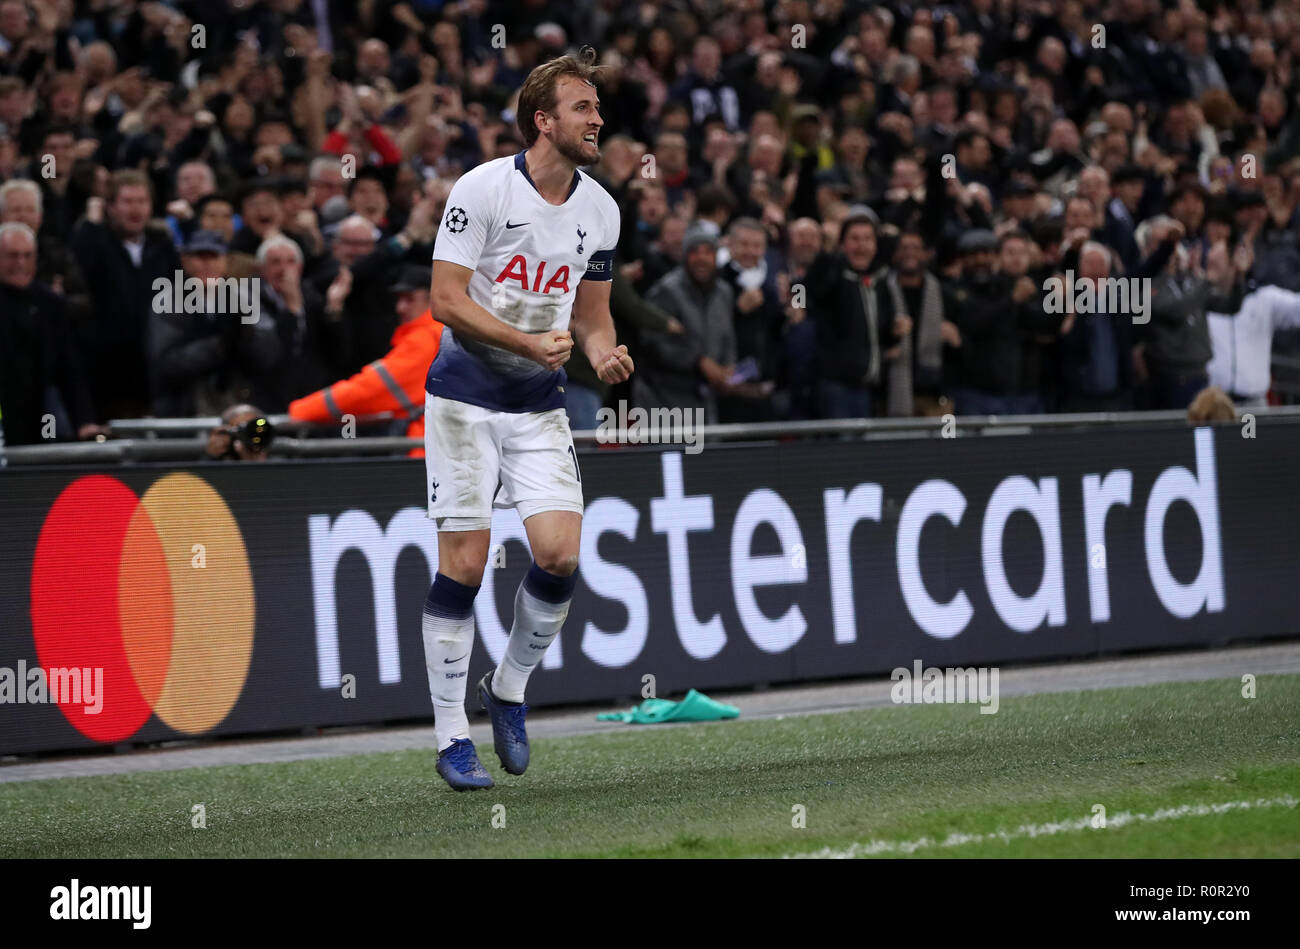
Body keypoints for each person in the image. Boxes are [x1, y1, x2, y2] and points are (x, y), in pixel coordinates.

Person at [422, 50, 633, 790]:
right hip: (463, 397)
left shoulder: (601, 209)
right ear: (543, 119)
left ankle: (506, 690)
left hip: (537, 403)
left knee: (560, 556)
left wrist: (604, 355)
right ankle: (451, 737)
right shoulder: (482, 189)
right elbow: (445, 301)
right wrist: (526, 343)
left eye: (598, 108)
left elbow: (594, 318)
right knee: (466, 565)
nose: (597, 118)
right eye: (583, 107)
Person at [288, 265, 443, 456]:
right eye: (399, 299)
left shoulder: (426, 338)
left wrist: (300, 411)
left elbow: (369, 390)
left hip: (425, 455)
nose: (400, 308)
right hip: (437, 450)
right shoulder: (440, 334)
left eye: (410, 299)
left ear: (432, 300)